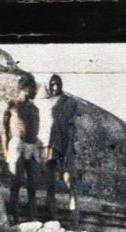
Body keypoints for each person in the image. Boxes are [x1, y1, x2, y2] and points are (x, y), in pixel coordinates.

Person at [1, 74, 42, 219]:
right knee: (16, 183)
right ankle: (13, 215)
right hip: (17, 144)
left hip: (32, 146)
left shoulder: (35, 109)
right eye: (33, 88)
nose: (35, 91)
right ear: (25, 87)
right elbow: (4, 130)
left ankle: (32, 216)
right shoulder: (12, 105)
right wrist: (6, 151)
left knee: (33, 185)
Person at [41, 74, 77, 216]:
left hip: (63, 142)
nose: (55, 87)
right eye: (52, 84)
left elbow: (70, 125)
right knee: (50, 180)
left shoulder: (68, 102)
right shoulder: (43, 103)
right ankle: (52, 209)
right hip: (48, 144)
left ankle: (73, 204)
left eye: (57, 84)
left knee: (68, 175)